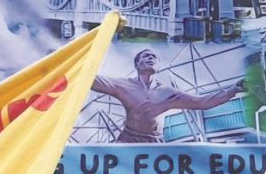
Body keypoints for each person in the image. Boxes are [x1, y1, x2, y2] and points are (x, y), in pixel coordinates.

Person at [92, 49, 246, 144]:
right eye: (146, 56)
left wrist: (233, 90)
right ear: (137, 64)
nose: (151, 58)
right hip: (128, 139)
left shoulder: (167, 92)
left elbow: (201, 102)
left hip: (154, 142)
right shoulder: (123, 85)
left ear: (158, 67)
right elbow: (91, 79)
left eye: (154, 57)